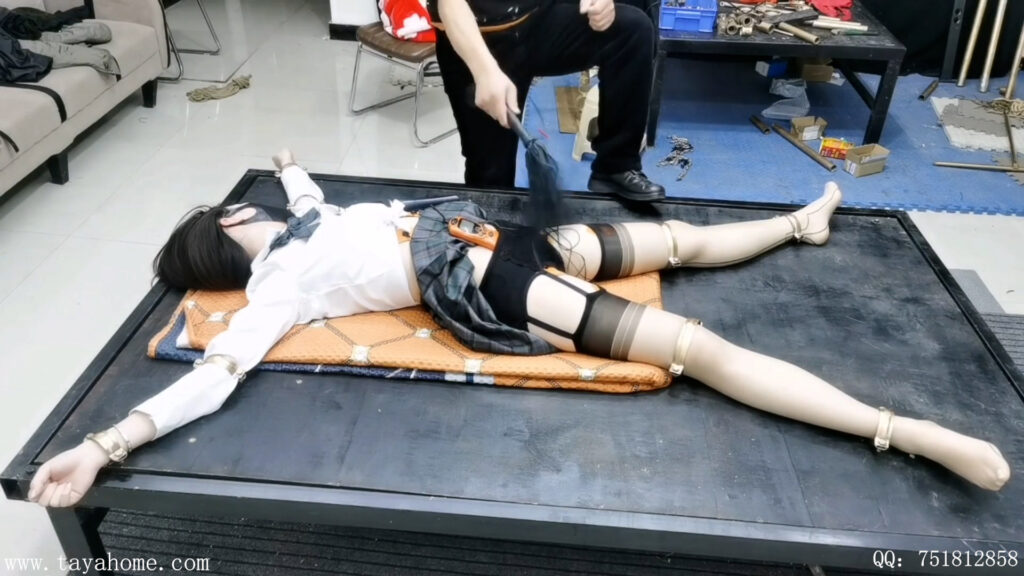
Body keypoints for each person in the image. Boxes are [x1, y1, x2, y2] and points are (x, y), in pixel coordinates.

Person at [27, 150, 1011, 509]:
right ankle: (907, 432)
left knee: (672, 240)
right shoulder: (279, 282)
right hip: (492, 282)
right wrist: (108, 443)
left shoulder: (305, 220)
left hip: (499, 240)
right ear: (229, 228)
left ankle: (798, 223)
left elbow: (308, 192)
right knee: (696, 350)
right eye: (236, 207)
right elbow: (218, 370)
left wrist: (287, 167)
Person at [427, 0, 666, 201]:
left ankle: (616, 166)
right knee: (491, 177)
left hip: (537, 18)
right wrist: (484, 72)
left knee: (632, 30)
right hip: (478, 39)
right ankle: (487, 224)